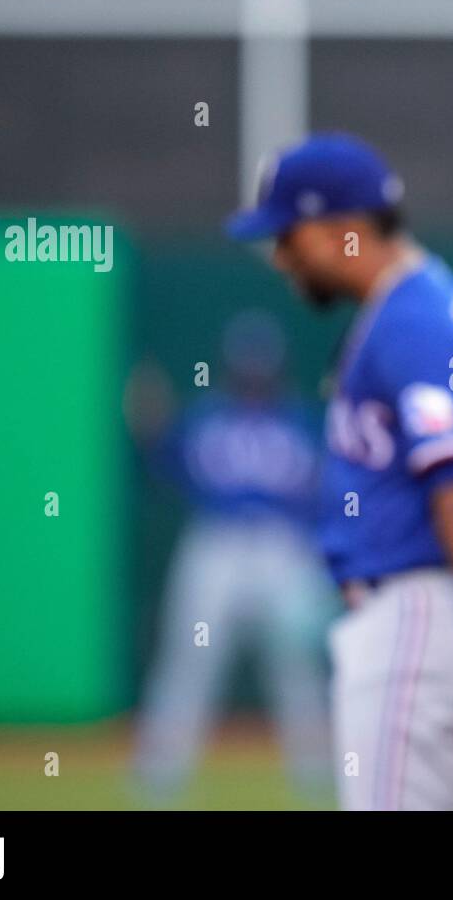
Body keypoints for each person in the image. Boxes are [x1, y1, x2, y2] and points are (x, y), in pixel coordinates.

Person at [226, 132, 453, 810]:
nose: (279, 257)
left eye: (288, 233)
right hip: (426, 616)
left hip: (425, 616)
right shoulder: (422, 305)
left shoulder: (413, 321)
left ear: (342, 227)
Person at [131, 309, 337, 803]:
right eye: (247, 368)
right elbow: (166, 464)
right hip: (217, 544)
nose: (253, 378)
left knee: (298, 666)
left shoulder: (300, 422)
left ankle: (318, 780)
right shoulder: (207, 418)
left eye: (260, 368)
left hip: (281, 549)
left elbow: (327, 494)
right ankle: (160, 777)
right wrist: (151, 429)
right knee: (190, 661)